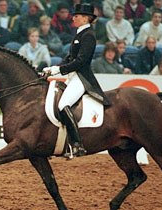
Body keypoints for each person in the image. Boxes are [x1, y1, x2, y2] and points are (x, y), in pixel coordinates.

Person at [43, 3, 111, 158]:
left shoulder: (88, 36)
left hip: (82, 77)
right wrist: (54, 68)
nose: (73, 18)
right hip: (73, 76)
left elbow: (81, 61)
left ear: (86, 18)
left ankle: (77, 145)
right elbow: (69, 58)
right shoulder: (80, 34)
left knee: (63, 104)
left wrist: (59, 70)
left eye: (77, 16)